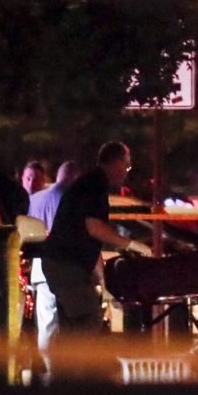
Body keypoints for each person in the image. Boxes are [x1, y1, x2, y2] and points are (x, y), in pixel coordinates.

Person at [41, 142, 152, 340]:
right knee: (89, 318)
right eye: (126, 167)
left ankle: (66, 369)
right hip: (66, 265)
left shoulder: (89, 182)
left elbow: (89, 244)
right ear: (117, 163)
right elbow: (94, 227)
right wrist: (131, 244)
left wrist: (103, 281)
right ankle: (80, 367)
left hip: (60, 262)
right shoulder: (94, 184)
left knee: (72, 325)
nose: (126, 173)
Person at [26, 160, 81, 376]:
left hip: (39, 267)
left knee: (46, 321)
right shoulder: (70, 200)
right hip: (65, 266)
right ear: (74, 178)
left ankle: (48, 369)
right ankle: (61, 371)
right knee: (66, 321)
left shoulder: (34, 200)